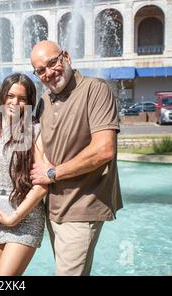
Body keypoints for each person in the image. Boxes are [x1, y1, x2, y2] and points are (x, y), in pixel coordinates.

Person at [29, 40, 123, 276]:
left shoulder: (95, 89)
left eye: (53, 63)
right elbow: (40, 143)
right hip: (55, 207)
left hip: (82, 205)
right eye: (41, 70)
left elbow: (104, 149)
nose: (49, 73)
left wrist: (52, 173)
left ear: (66, 57)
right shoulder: (45, 100)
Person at [0, 73, 48, 276]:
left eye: (22, 99)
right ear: (3, 96)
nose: (14, 102)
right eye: (10, 96)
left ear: (29, 103)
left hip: (25, 218)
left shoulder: (36, 132)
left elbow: (42, 185)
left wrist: (16, 216)